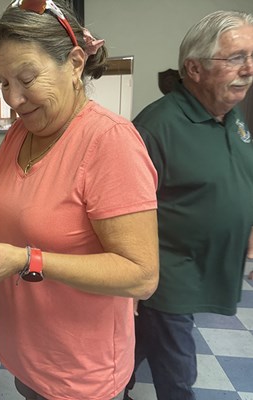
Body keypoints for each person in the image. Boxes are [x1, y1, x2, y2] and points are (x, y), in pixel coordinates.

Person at [0, 1, 160, 399]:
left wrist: (28, 260)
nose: (14, 98)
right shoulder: (20, 135)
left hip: (80, 370)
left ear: (75, 63)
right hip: (26, 352)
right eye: (3, 82)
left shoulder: (110, 142)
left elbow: (141, 275)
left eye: (26, 78)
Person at [123, 11, 253, 400]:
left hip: (204, 268)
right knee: (178, 372)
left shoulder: (233, 116)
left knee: (139, 345)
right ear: (194, 69)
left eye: (251, 57)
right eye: (236, 58)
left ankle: (112, 385)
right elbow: (125, 213)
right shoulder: (155, 127)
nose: (248, 68)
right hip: (168, 278)